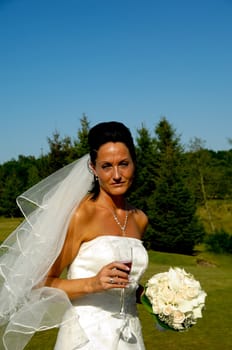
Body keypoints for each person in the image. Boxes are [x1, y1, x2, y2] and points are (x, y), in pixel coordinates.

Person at [0, 121, 149, 350]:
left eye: (124, 164)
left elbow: (125, 285)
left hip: (130, 336)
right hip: (86, 338)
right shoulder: (80, 215)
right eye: (107, 166)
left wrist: (158, 298)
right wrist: (93, 284)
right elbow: (40, 284)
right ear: (93, 168)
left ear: (134, 163)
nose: (117, 175)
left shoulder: (139, 218)